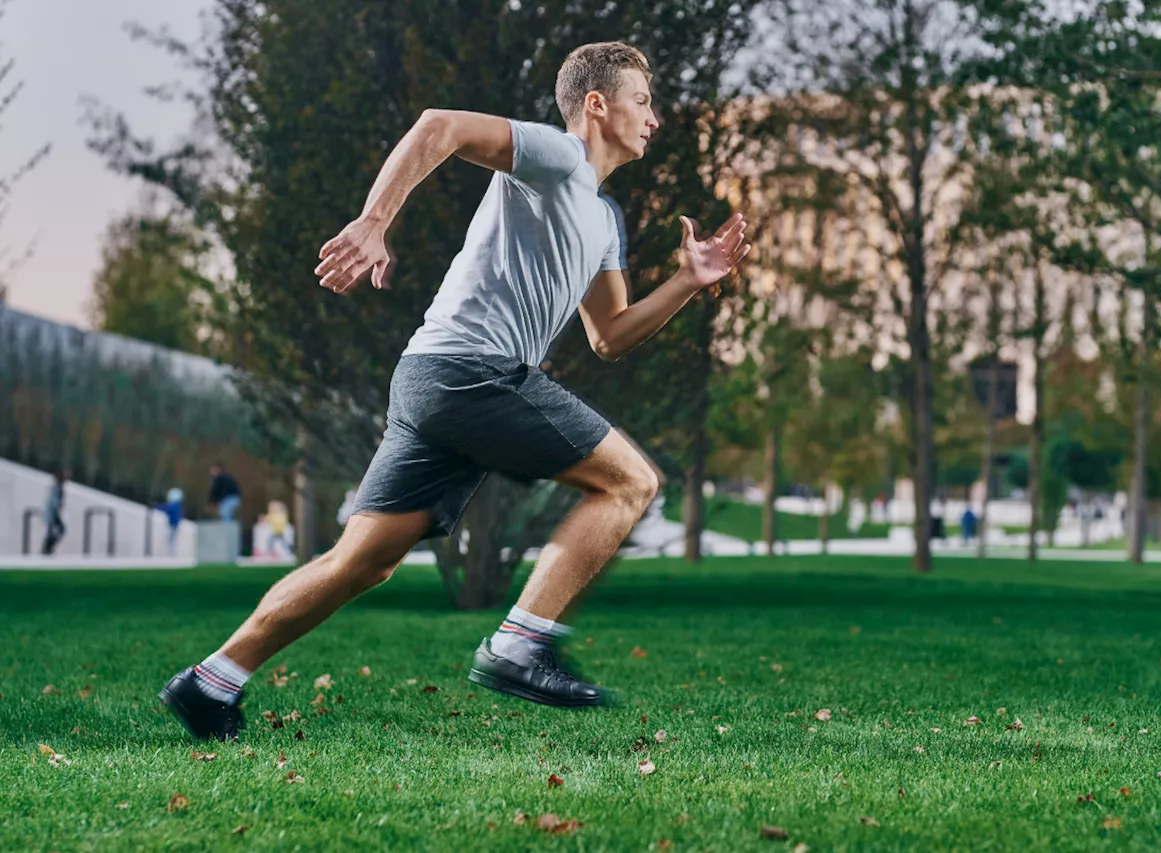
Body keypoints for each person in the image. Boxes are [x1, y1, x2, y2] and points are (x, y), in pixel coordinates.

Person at [159, 41, 750, 741]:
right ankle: (520, 644)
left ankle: (209, 682)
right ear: (597, 104)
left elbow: (611, 335)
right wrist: (373, 221)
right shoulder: (556, 156)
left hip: (433, 378)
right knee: (630, 482)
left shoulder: (604, 219)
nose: (655, 117)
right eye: (643, 101)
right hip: (474, 371)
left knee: (363, 562)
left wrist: (688, 282)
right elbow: (439, 124)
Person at [41, 469, 69, 556]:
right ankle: (47, 549)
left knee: (55, 531)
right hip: (53, 513)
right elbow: (54, 501)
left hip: (53, 513)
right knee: (58, 530)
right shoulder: (57, 488)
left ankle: (47, 549)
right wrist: (56, 508)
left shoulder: (58, 487)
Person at [155, 487, 185, 555]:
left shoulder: (175, 506)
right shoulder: (178, 506)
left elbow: (168, 508)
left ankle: (172, 553)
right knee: (171, 539)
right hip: (174, 524)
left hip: (173, 524)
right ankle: (172, 553)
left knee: (171, 539)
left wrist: (156, 506)